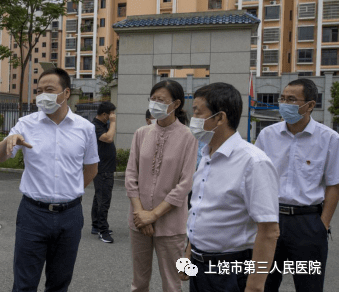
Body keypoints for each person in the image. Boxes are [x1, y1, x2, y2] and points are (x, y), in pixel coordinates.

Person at [0, 67, 99, 292]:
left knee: (59, 283)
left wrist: (69, 193)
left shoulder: (85, 128)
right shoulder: (25, 124)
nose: (42, 95)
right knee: (24, 284)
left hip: (70, 216)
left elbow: (91, 169)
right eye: (39, 91)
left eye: (49, 90)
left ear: (66, 93)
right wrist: (8, 140)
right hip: (33, 214)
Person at [182, 83, 280, 292]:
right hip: (200, 267)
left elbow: (269, 231)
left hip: (230, 271)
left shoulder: (253, 162)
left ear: (220, 118)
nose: (194, 120)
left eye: (198, 112)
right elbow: (200, 212)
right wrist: (188, 258)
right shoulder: (207, 155)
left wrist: (255, 287)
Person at [255, 78, 339, 292]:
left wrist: (323, 225)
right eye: (282, 98)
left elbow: (334, 184)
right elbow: (256, 178)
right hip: (271, 219)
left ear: (310, 105)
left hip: (308, 223)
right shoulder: (267, 135)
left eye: (291, 100)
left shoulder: (329, 139)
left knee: (309, 286)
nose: (284, 104)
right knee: (264, 284)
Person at [125, 80, 197, 292]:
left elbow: (186, 183)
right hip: (138, 222)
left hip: (171, 224)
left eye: (161, 100)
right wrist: (141, 214)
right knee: (139, 283)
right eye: (153, 99)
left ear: (175, 104)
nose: (155, 104)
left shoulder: (189, 136)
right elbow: (131, 175)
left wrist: (153, 215)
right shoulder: (141, 133)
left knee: (171, 284)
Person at [91, 101, 117, 243]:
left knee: (99, 198)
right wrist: (112, 123)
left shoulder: (101, 125)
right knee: (104, 200)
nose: (114, 116)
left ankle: (96, 225)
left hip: (106, 168)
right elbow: (108, 138)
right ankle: (103, 230)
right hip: (103, 170)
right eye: (112, 113)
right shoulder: (95, 126)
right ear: (105, 114)